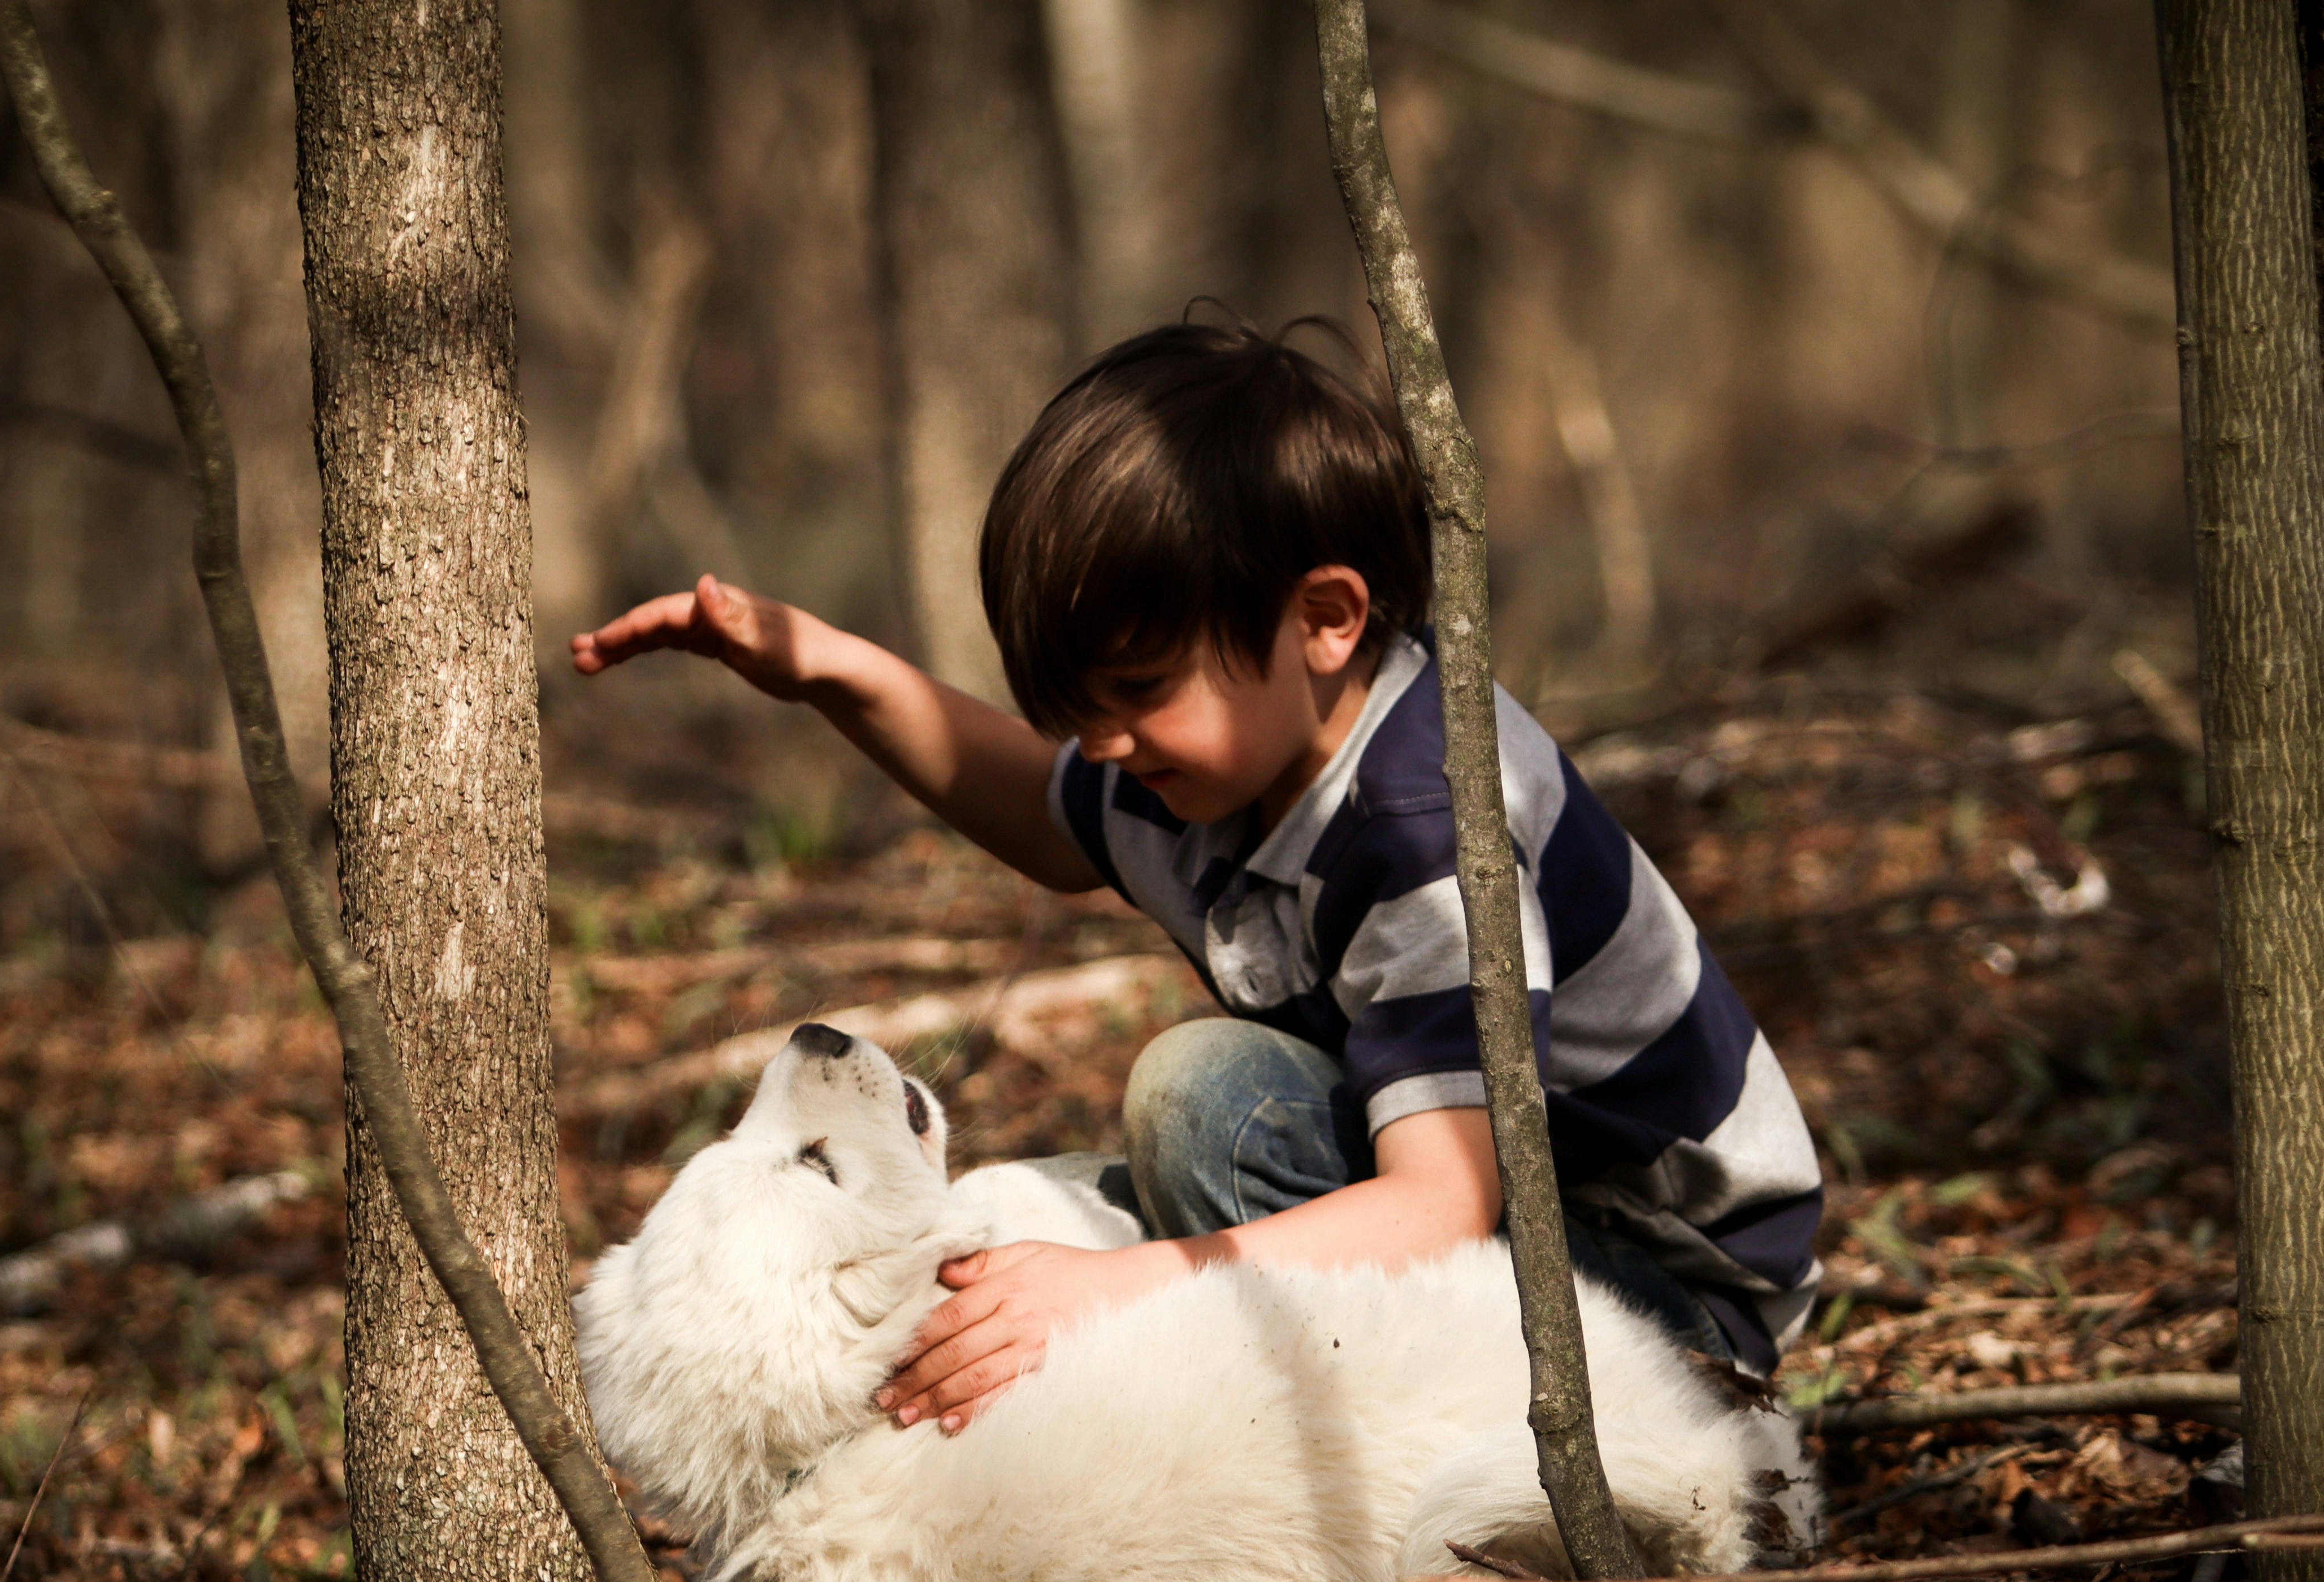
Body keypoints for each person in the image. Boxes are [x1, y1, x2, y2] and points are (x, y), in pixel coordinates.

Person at [572, 319, 1823, 1434]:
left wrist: (1114, 1289)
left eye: (1130, 694)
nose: (1103, 745)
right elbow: (1047, 815)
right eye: (1077, 708)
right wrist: (834, 673)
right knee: (1090, 1181)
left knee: (1200, 1104)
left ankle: (1394, 1460)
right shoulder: (1235, 752)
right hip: (1507, 1223)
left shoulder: (1421, 825)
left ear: (1325, 618)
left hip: (1652, 1305)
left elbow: (1439, 1203)